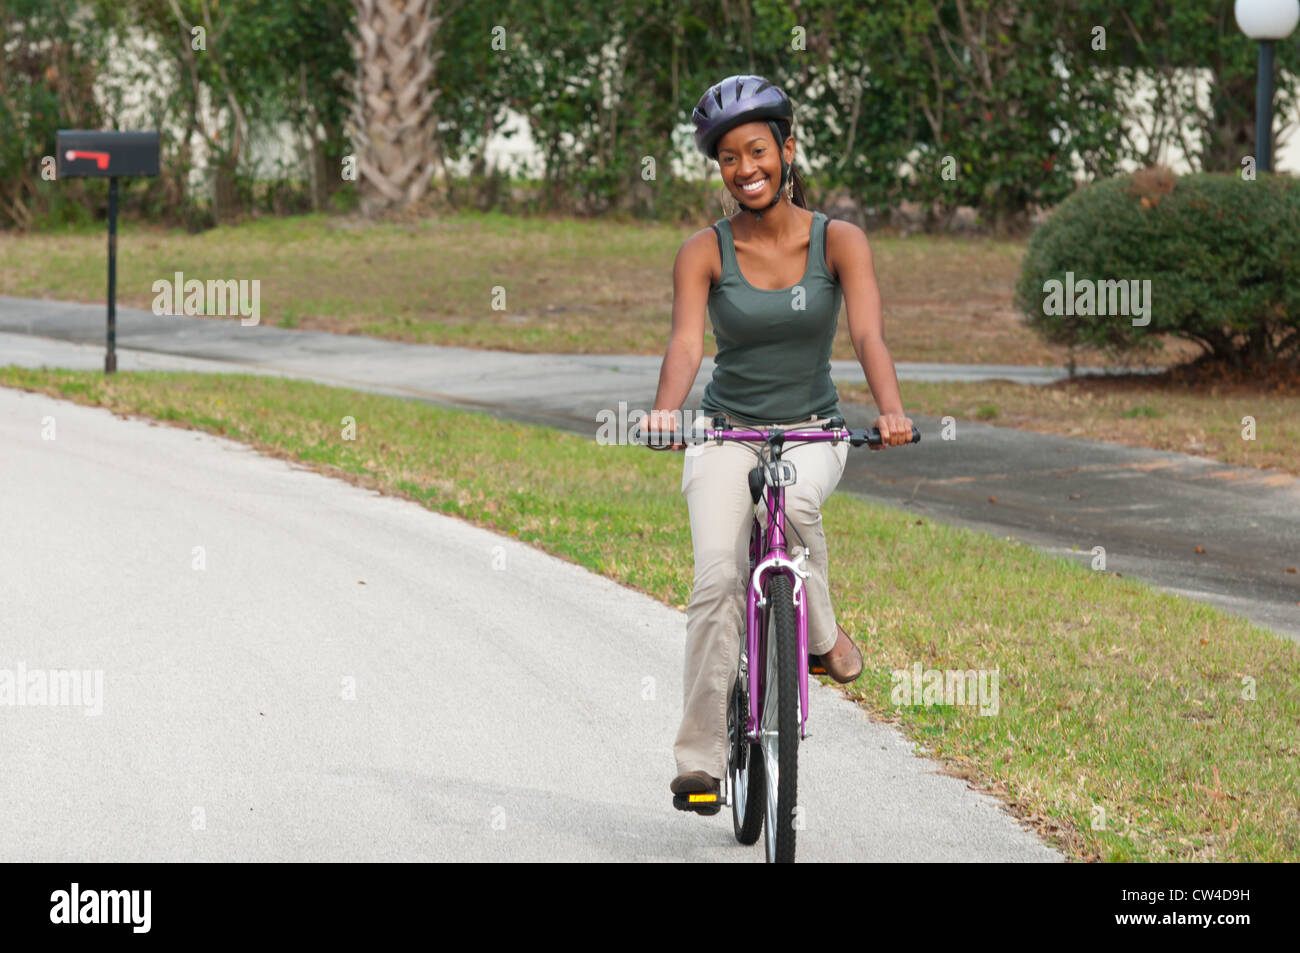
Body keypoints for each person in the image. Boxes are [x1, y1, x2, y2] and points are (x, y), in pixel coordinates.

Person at [645, 74, 915, 813]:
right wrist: (667, 411)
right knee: (714, 581)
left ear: (787, 150)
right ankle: (700, 761)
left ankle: (817, 634)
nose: (745, 167)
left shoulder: (840, 240)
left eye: (757, 150)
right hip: (727, 435)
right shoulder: (703, 251)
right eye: (728, 157)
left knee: (793, 501)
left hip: (814, 432)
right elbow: (686, 342)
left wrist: (890, 411)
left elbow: (866, 334)